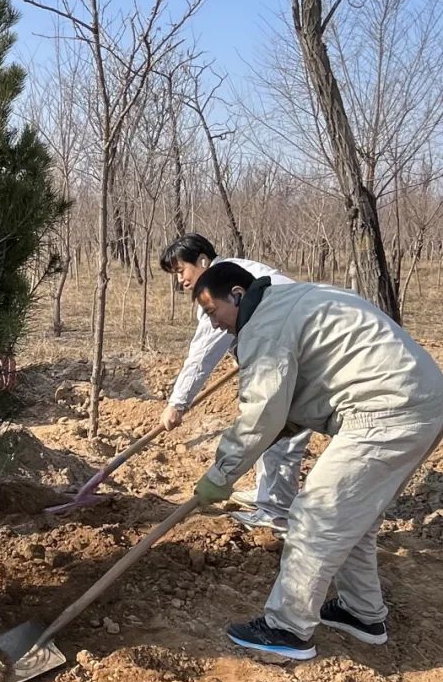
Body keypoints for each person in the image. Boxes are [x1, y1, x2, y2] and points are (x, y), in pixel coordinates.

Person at [191, 263, 443, 660]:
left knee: (315, 516)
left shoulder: (264, 326)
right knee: (351, 519)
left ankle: (287, 629)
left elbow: (261, 414)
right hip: (420, 402)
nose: (215, 325)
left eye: (212, 313)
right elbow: (287, 412)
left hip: (386, 411)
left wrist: (221, 475)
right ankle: (360, 612)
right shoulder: (290, 301)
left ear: (237, 294)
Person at [159, 233, 307, 533]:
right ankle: (269, 495)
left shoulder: (218, 288)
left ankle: (275, 509)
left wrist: (177, 403)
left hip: (299, 354)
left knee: (276, 424)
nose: (180, 281)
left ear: (202, 260)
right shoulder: (237, 271)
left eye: (181, 271)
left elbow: (203, 354)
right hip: (289, 346)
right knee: (273, 426)